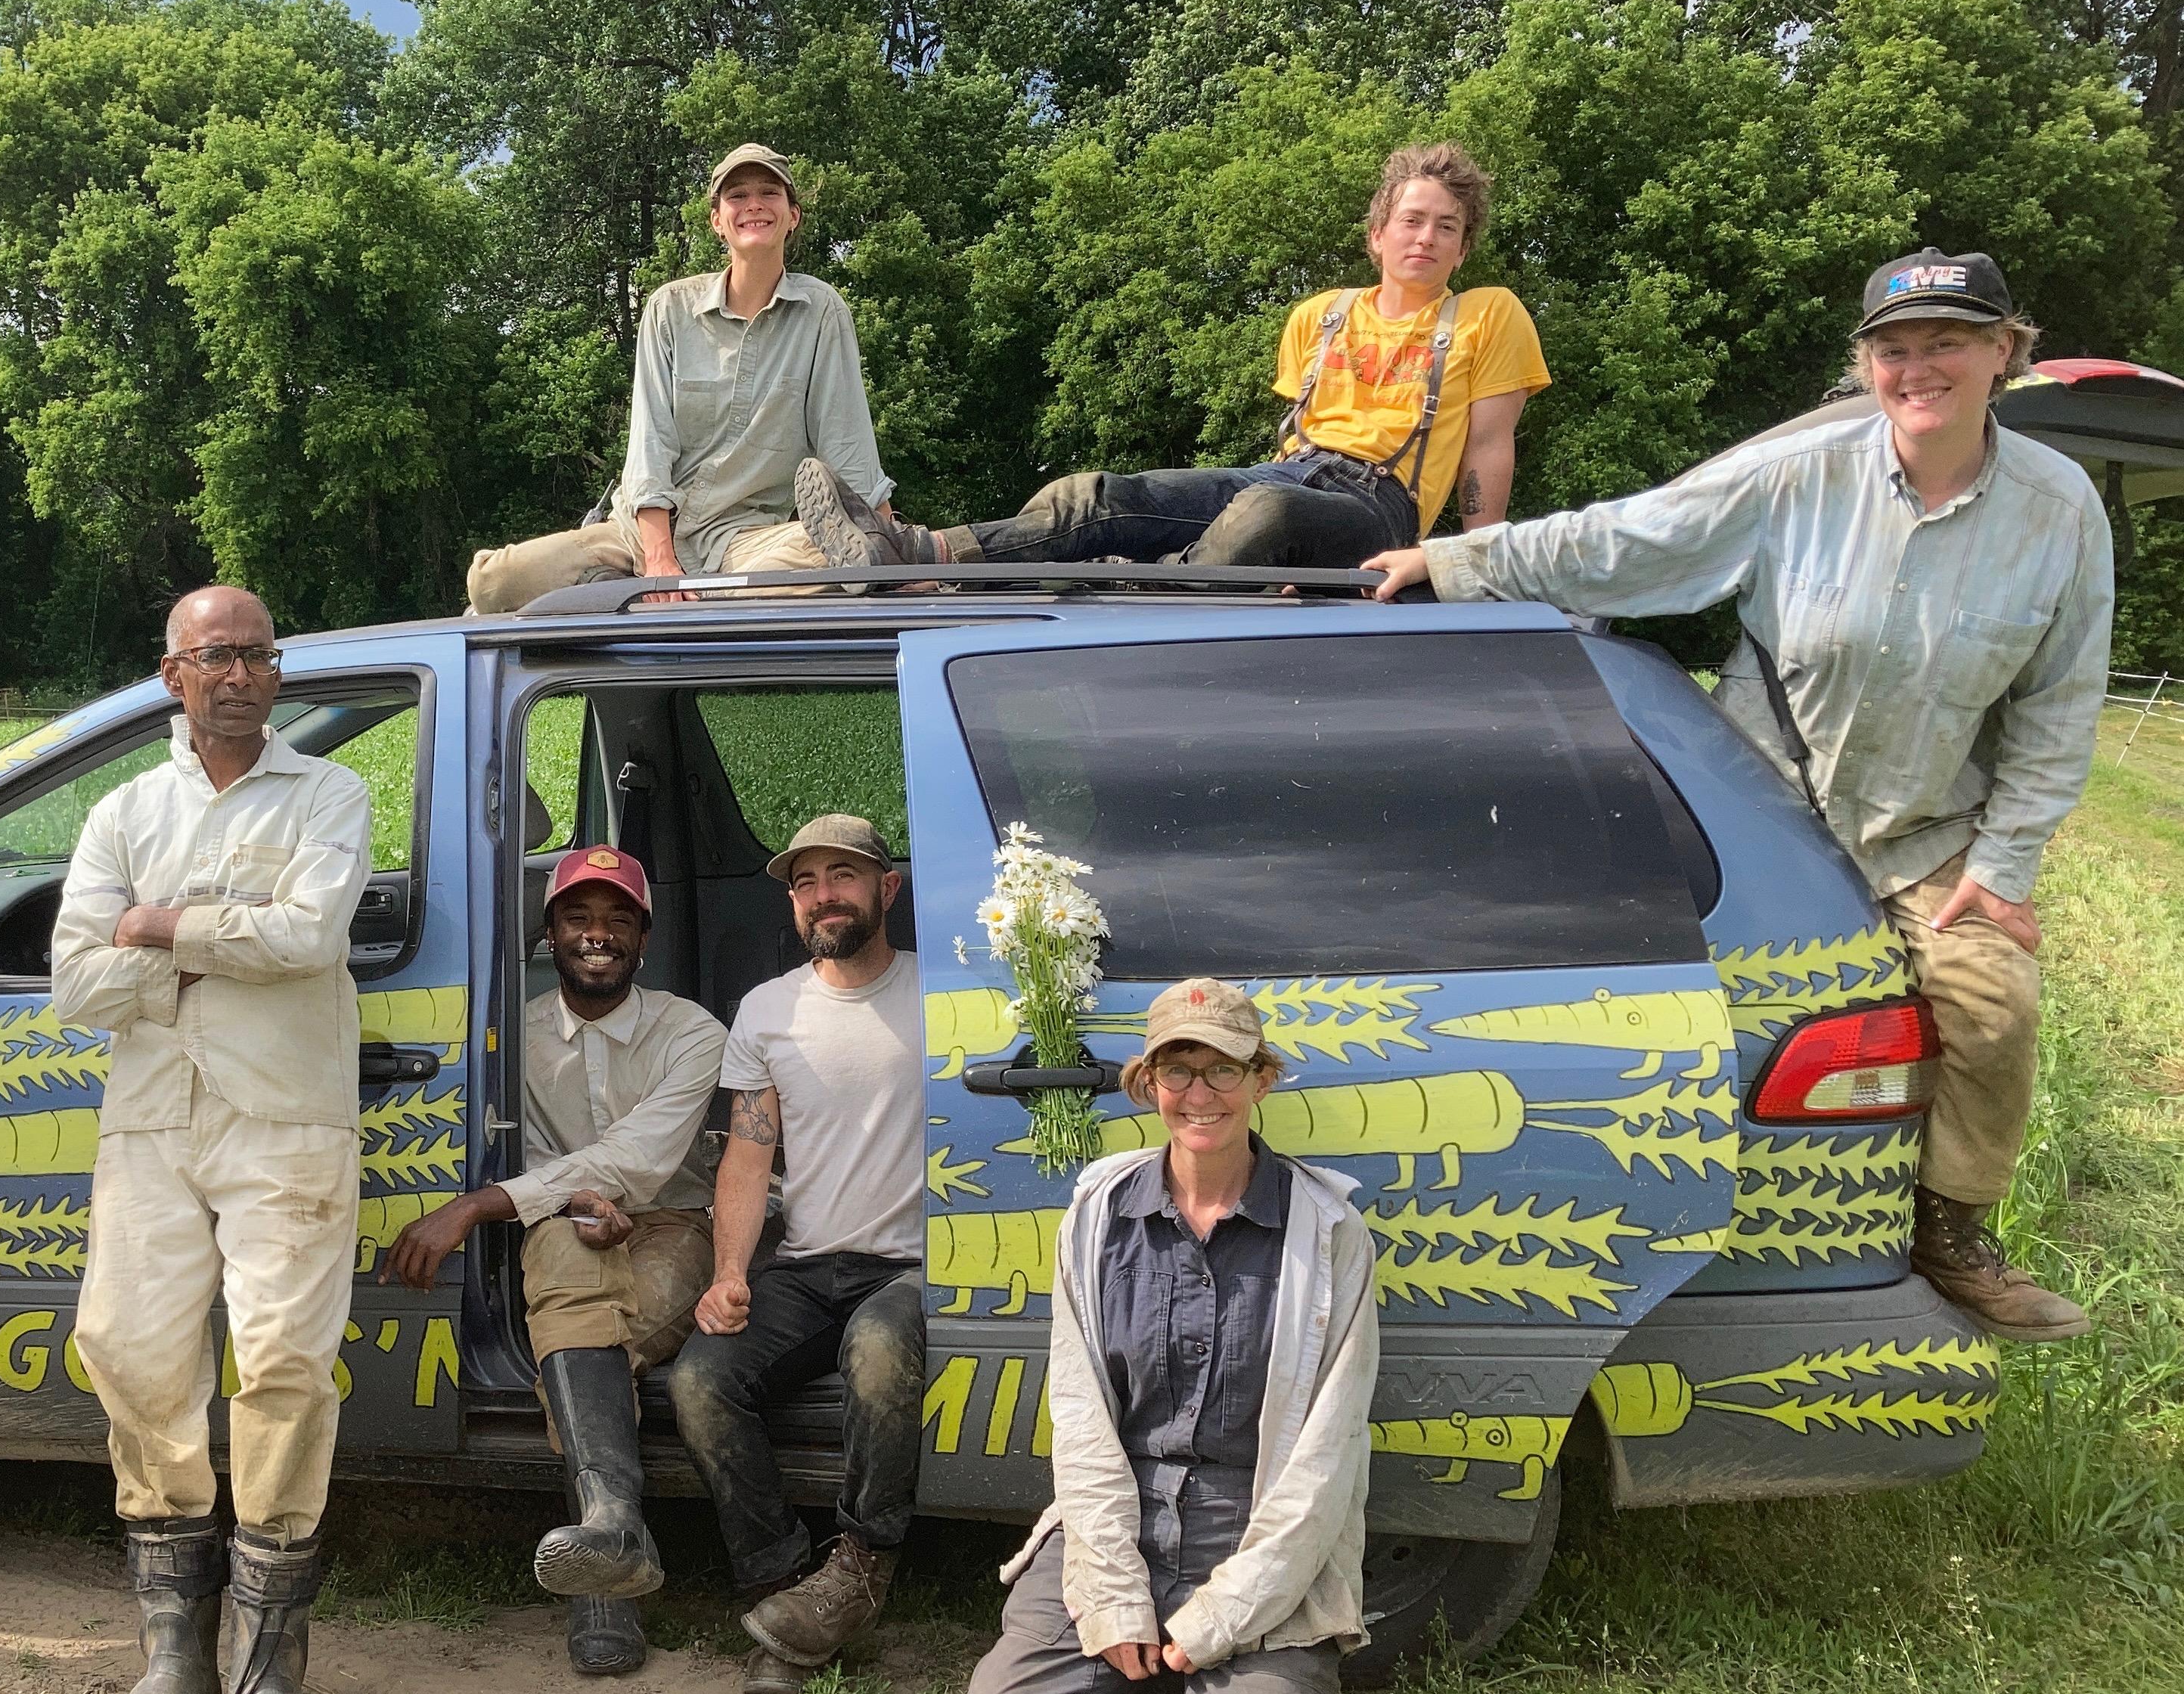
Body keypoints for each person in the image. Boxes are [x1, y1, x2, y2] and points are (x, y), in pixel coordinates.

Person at [1367, 248, 2109, 1342]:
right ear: (1867, 364)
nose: (1919, 369)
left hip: (1926, 828)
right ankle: (1689, 1223)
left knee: (1994, 1008)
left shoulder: (2061, 509)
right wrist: (1459, 562)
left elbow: (2059, 706)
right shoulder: (1799, 474)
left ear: (2004, 352)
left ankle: (1948, 1229)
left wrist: (2003, 868)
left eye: (1948, 343)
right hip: (1763, 811)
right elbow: (1632, 538)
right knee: (1687, 1017)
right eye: (1896, 349)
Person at [940, 980, 1377, 1694]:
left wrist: (1222, 1617)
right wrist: (1110, 1593)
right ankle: (1152, 1684)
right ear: (1149, 1085)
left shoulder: (1329, 1231)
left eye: (1223, 1070)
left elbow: (1326, 1462)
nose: (1199, 1093)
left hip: (1252, 1539)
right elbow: (1081, 1418)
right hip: (1120, 1521)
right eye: (1178, 1070)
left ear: (1261, 1080)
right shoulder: (1099, 1214)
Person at [51, 585, 373, 1694]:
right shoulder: (125, 810)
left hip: (286, 1120)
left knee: (285, 1362)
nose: (236, 674)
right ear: (172, 674)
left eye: (255, 655)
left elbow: (310, 939)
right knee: (130, 1354)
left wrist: (155, 930)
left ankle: (267, 1676)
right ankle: (173, 1661)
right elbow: (74, 985)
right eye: (213, 655)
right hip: (152, 1119)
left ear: (277, 674)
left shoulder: (330, 794)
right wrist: (206, 947)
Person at [801, 143, 1548, 572]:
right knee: (1093, 494)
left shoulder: (1488, 314)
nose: (1426, 237)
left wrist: (1469, 565)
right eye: (1412, 220)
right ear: (1378, 234)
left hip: (1379, 505)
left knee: (1267, 513)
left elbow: (1488, 449)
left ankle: (1148, 582)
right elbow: (1291, 450)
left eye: (1446, 228)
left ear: (1463, 248)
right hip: (1291, 474)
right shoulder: (1320, 316)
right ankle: (919, 554)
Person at [386, 845, 724, 1676]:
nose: (597, 934)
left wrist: (474, 1206)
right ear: (550, 934)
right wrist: (576, 1202)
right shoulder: (515, 1037)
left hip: (673, 1221)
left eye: (617, 920)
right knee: (573, 1280)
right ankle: (610, 1543)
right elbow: (538, 1161)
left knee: (580, 1342)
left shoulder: (693, 1031)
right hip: (562, 1222)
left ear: (644, 938)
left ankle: (607, 1552)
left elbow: (642, 1158)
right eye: (578, 917)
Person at [666, 814, 929, 1694]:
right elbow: (748, 1159)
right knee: (702, 1379)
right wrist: (729, 1275)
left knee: (880, 1350)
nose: (823, 895)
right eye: (805, 882)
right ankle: (782, 1585)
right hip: (810, 1266)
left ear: (887, 889)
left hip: (913, 1270)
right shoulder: (768, 1010)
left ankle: (861, 1567)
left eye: (842, 876)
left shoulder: (942, 996)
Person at [464, 145, 902, 612]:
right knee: (491, 585)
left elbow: (847, 442)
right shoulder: (669, 309)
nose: (754, 205)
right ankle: (644, 583)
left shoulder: (822, 311)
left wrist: (890, 551)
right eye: (737, 196)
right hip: (636, 536)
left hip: (743, 541)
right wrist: (659, 559)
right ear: (717, 221)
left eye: (769, 193)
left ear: (792, 216)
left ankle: (901, 550)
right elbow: (650, 443)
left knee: (838, 549)